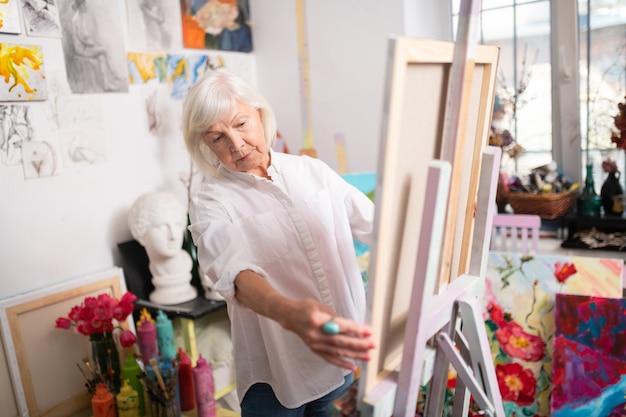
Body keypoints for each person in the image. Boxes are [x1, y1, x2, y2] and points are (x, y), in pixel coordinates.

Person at [182, 69, 376, 416]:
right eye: (217, 138)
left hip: (341, 359)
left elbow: (377, 226)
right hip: (276, 374)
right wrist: (289, 313)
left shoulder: (312, 172)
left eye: (240, 125)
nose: (236, 145)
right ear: (205, 145)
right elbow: (235, 273)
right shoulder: (210, 201)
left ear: (260, 113)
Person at [128, 192, 197, 305]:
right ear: (140, 234)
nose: (173, 236)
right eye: (162, 227)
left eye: (177, 225)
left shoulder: (187, 264)